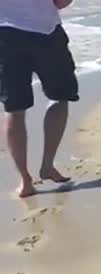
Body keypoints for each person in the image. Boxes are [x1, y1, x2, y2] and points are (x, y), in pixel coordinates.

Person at [0, 0, 78, 197]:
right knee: (60, 97)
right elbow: (61, 2)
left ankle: (25, 179)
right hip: (45, 32)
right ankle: (47, 165)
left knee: (14, 109)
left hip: (5, 35)